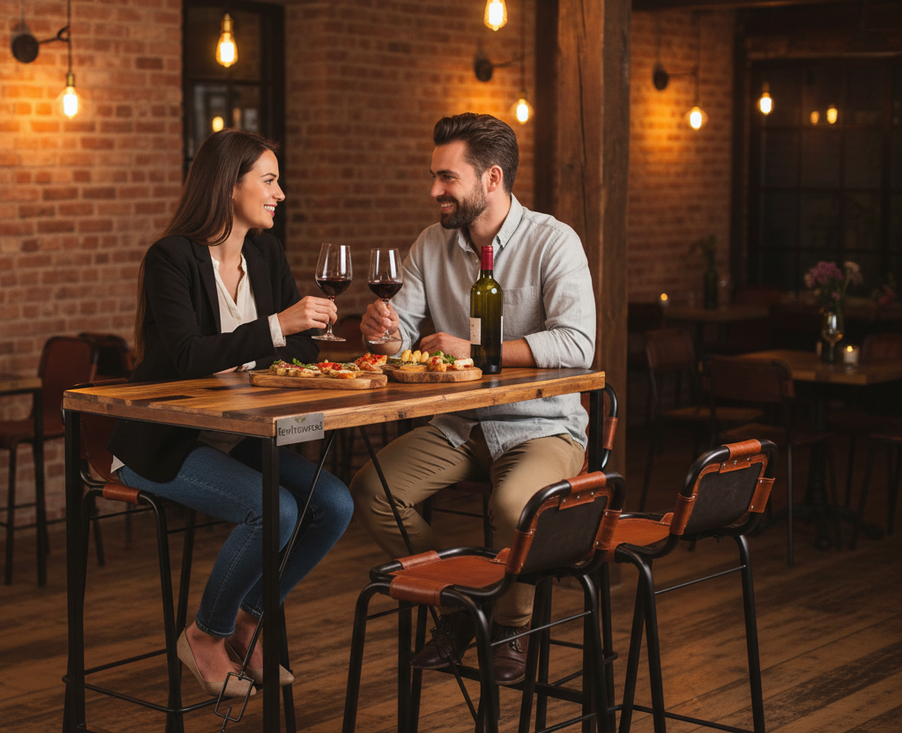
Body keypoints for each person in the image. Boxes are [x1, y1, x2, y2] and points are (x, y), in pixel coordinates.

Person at [350, 112, 596, 684]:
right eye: (434, 177)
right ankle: (462, 605)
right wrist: (381, 331)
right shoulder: (429, 246)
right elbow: (399, 340)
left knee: (514, 508)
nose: (434, 190)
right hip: (461, 426)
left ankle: (513, 626)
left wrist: (479, 352)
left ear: (490, 178)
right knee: (372, 490)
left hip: (543, 425)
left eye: (446, 178)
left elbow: (578, 343)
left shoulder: (552, 242)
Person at [108, 129, 354, 698]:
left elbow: (302, 351)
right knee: (276, 510)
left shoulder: (264, 253)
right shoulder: (170, 257)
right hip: (160, 441)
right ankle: (205, 634)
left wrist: (304, 328)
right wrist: (278, 326)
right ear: (229, 185)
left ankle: (248, 619)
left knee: (333, 503)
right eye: (269, 180)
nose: (281, 193)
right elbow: (189, 355)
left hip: (231, 435)